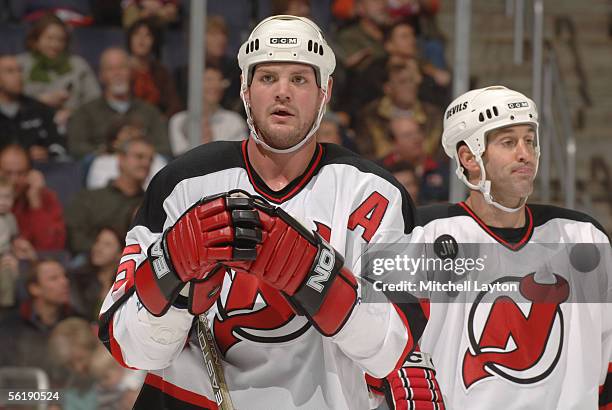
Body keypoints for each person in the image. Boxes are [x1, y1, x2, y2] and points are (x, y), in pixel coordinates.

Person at [98, 15, 441, 409]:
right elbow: (131, 350)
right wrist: (172, 274)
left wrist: (318, 280)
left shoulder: (376, 194)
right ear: (245, 90)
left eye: (299, 79)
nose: (283, 92)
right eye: (267, 78)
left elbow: (392, 352)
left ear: (324, 92)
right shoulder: (181, 185)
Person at [408, 86, 612, 408]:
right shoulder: (419, 235)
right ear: (469, 158)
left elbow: (608, 360)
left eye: (529, 140)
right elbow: (382, 354)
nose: (525, 154)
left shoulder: (584, 238)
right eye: (508, 142)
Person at [67, 47, 170, 159]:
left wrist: (137, 147)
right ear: (101, 76)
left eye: (122, 68)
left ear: (131, 73)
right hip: (103, 165)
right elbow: (76, 148)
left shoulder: (150, 111)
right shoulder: (85, 112)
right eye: (110, 69)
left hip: (144, 167)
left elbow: (164, 148)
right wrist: (110, 149)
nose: (117, 73)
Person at [66, 137, 153, 256]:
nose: (146, 163)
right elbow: (75, 237)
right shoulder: (89, 198)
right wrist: (102, 250)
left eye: (150, 159)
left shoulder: (150, 205)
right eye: (139, 157)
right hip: (91, 264)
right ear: (121, 159)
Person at [17, 13, 100, 130]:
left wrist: (73, 112)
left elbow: (95, 102)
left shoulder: (78, 65)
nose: (55, 45)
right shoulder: (21, 64)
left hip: (71, 126)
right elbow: (8, 102)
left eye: (60, 40)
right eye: (49, 38)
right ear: (36, 39)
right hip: (28, 125)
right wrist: (39, 101)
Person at [0, 259, 75, 372]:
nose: (65, 282)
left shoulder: (75, 321)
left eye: (65, 276)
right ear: (35, 289)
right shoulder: (11, 325)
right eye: (54, 278)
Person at [0, 144, 66, 252]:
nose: (14, 180)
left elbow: (52, 248)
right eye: (7, 173)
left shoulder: (44, 197)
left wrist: (35, 202)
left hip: (32, 263)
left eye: (21, 173)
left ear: (30, 173)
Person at [169, 66, 247, 156]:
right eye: (209, 80)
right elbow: (179, 157)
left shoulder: (234, 120)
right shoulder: (179, 120)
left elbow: (239, 155)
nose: (215, 85)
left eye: (219, 80)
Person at [0, 53, 64, 161]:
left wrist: (47, 153)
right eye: (10, 71)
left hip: (42, 169)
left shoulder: (39, 109)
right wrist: (21, 156)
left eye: (20, 70)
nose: (19, 76)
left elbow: (58, 144)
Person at [126, 17, 182, 118]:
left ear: (154, 41)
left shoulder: (161, 72)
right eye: (137, 34)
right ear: (130, 39)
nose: (141, 40)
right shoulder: (121, 70)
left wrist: (160, 122)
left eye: (147, 35)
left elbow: (174, 105)